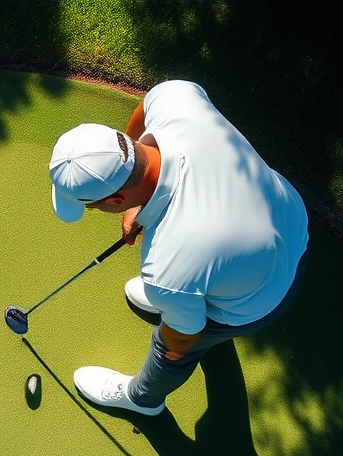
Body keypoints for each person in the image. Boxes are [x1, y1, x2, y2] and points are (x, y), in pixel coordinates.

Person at [48, 80, 309, 416]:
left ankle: (143, 399)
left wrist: (174, 335)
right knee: (177, 294)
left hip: (259, 296)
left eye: (94, 206)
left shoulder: (167, 267)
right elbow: (144, 109)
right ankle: (184, 298)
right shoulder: (176, 98)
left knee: (170, 345)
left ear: (114, 199)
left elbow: (184, 336)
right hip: (292, 219)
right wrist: (135, 207)